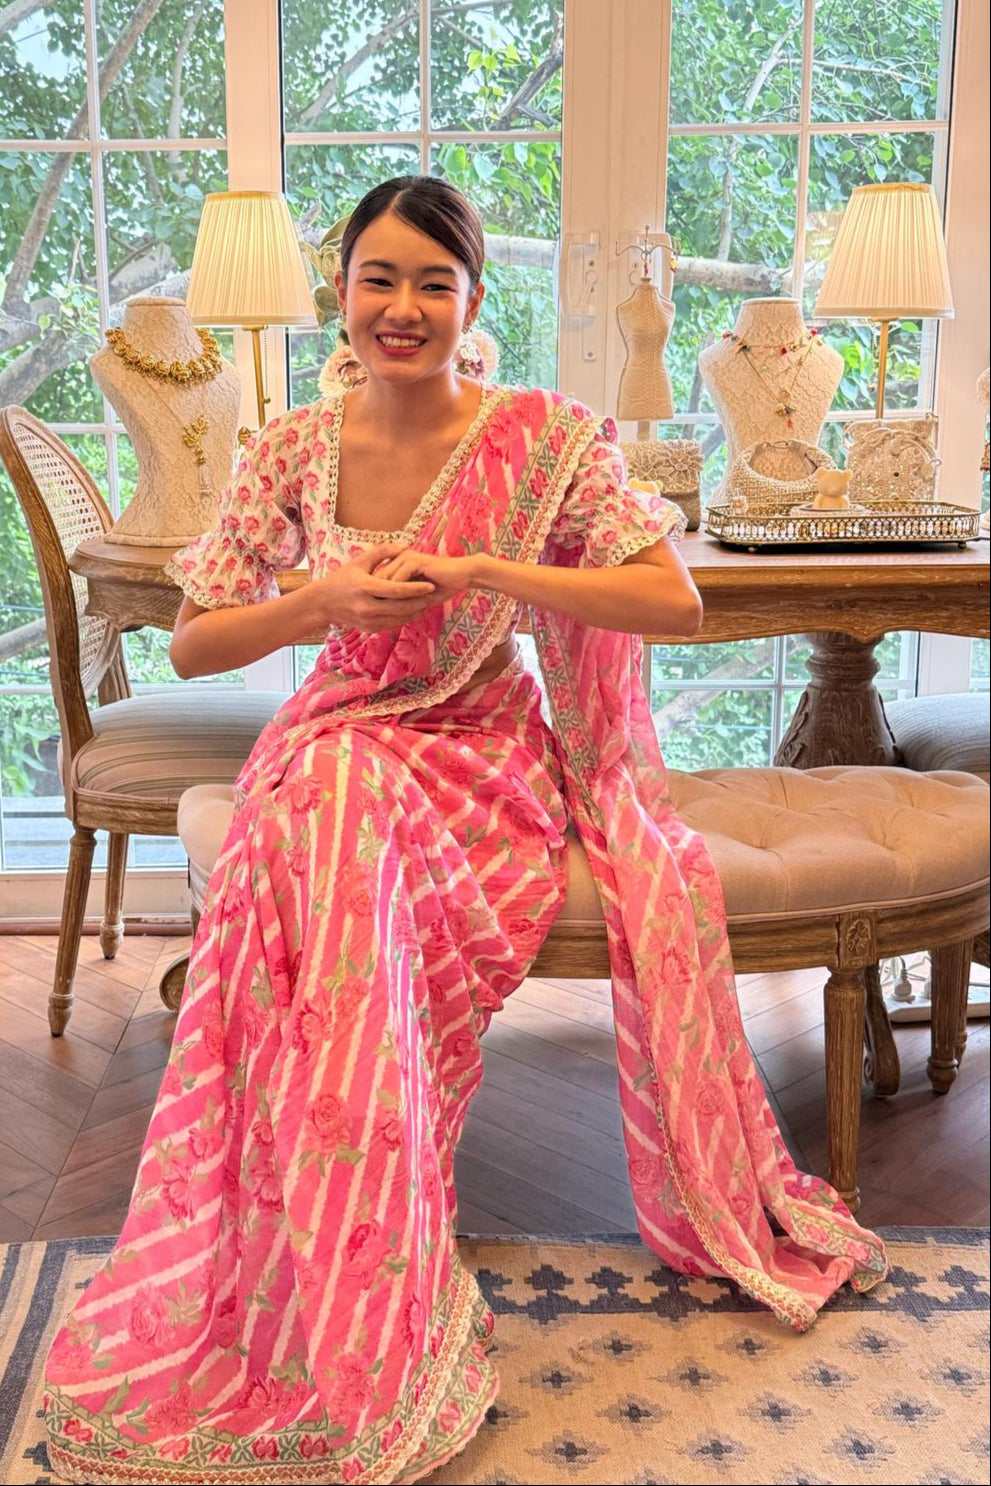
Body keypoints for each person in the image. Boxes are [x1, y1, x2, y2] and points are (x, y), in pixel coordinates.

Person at [42, 176, 888, 1486]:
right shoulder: (289, 449)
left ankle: (371, 1268)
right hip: (339, 731)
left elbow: (667, 597)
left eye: (434, 283)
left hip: (485, 754)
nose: (403, 306)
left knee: (335, 831)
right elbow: (199, 636)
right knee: (311, 827)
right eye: (380, 278)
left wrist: (494, 572)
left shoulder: (540, 437)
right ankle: (307, 1250)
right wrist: (319, 598)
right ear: (342, 292)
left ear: (472, 303)